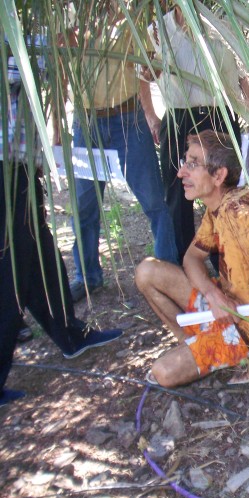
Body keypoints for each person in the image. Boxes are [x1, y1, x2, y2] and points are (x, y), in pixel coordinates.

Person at [0, 30, 122, 407]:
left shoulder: (28, 28)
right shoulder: (15, 34)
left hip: (21, 168)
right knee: (12, 270)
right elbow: (24, 77)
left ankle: (70, 335)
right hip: (5, 170)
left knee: (41, 258)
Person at [135, 131, 249, 388]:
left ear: (219, 175)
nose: (181, 173)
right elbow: (192, 257)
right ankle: (198, 344)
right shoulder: (216, 209)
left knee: (162, 373)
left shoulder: (237, 209)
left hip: (244, 330)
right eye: (185, 162)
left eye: (192, 164)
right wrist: (213, 296)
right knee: (147, 272)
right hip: (223, 308)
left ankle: (243, 355)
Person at [61, 1, 177, 302]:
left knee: (154, 200)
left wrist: (144, 69)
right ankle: (87, 276)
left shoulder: (130, 18)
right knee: (83, 205)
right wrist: (56, 129)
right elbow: (61, 76)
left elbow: (152, 68)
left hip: (128, 119)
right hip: (86, 124)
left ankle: (167, 272)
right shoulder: (69, 21)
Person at [146, 3, 249, 263]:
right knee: (177, 194)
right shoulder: (158, 30)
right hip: (178, 119)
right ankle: (186, 268)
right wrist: (152, 116)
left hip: (219, 116)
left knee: (226, 190)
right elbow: (144, 75)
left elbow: (244, 77)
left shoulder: (225, 23)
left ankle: (228, 264)